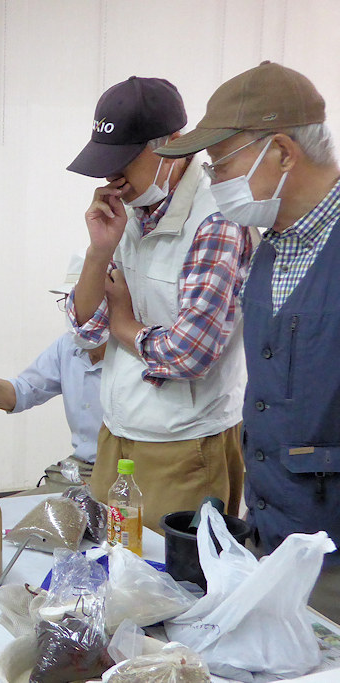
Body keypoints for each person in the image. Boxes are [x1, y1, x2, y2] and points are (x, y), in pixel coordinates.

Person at [156, 61, 340, 622]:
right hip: (271, 537)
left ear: (282, 152)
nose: (214, 181)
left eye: (221, 163)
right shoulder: (269, 248)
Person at [65, 76, 254, 533]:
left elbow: (189, 354)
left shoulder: (216, 222)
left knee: (172, 574)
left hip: (185, 446)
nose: (112, 178)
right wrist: (98, 252)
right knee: (110, 562)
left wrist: (124, 323)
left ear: (173, 145)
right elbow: (86, 329)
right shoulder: (127, 214)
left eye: (124, 161)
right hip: (118, 435)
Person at [0, 252, 105, 494]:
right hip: (78, 471)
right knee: (10, 510)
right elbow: (22, 392)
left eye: (78, 301)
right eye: (68, 301)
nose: (73, 312)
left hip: (121, 473)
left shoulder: (132, 353)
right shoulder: (67, 346)